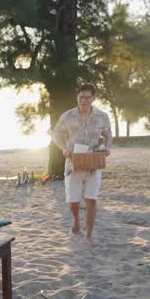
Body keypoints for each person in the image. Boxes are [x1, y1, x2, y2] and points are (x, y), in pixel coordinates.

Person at [52, 83, 112, 246]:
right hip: (73, 160)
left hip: (94, 160)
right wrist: (64, 148)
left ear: (93, 99)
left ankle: (89, 235)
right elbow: (56, 134)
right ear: (77, 98)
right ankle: (76, 221)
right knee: (74, 200)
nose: (84, 100)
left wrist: (107, 148)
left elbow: (108, 135)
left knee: (91, 198)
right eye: (81, 97)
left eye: (87, 97)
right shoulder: (68, 115)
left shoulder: (102, 116)